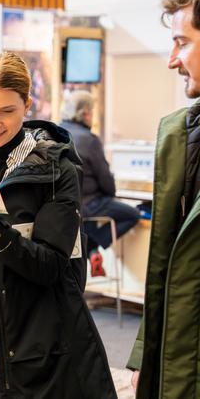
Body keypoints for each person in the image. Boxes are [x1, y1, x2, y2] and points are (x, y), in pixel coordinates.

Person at [0, 52, 116, 397]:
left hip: (31, 353)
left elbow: (53, 268)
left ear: (27, 104)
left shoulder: (57, 173)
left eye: (7, 111)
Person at [127, 0, 200, 397]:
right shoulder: (177, 135)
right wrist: (144, 356)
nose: (172, 60)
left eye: (182, 42)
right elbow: (163, 272)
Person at [60, 90, 139, 276]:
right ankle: (94, 246)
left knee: (85, 226)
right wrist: (110, 194)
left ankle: (91, 248)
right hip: (90, 204)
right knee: (133, 214)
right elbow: (106, 182)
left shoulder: (58, 133)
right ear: (86, 113)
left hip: (66, 208)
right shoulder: (90, 140)